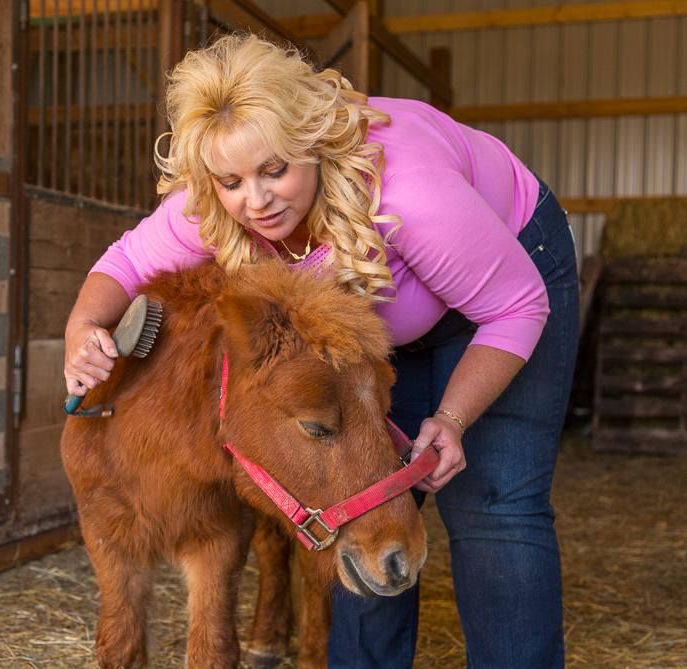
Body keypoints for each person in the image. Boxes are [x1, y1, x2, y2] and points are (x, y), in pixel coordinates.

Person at [63, 34, 578, 669]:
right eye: (232, 181)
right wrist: (83, 328)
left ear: (312, 144)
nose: (256, 200)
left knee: (493, 504)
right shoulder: (218, 205)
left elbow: (515, 306)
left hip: (501, 289)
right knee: (359, 497)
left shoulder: (410, 198)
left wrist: (451, 418)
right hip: (375, 323)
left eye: (276, 169)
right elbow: (122, 264)